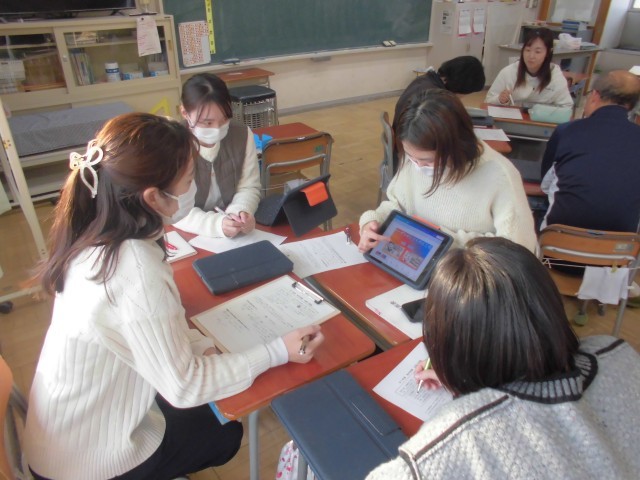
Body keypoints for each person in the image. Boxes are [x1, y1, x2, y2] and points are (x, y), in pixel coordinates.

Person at [23, 113, 324, 480]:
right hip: (90, 461)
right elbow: (185, 386)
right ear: (153, 197)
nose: (193, 188)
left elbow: (146, 330)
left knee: (210, 400)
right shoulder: (134, 270)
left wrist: (199, 345)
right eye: (189, 179)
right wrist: (278, 351)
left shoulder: (98, 229)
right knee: (224, 432)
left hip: (64, 434)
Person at [367, 237, 640, 479]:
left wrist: (463, 379)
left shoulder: (437, 458)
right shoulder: (616, 351)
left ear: (442, 342)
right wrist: (465, 375)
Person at [358, 89, 537, 253]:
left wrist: (443, 242)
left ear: (457, 146)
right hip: (419, 258)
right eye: (411, 157)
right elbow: (397, 205)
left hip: (470, 271)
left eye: (428, 161)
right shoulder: (415, 157)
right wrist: (373, 221)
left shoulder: (500, 175)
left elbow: (517, 248)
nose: (417, 166)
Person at [540, 70, 640, 232]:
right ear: (632, 105)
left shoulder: (566, 131)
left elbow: (545, 184)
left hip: (558, 239)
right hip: (620, 245)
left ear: (594, 95)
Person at [175, 73, 261, 238]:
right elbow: (174, 208)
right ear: (185, 113)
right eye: (207, 122)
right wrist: (216, 225)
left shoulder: (241, 135)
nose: (217, 128)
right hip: (186, 234)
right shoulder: (171, 144)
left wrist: (240, 212)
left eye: (224, 120)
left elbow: (248, 186)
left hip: (232, 234)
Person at [391, 55, 485, 171]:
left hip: (408, 149)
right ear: (462, 86)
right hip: (410, 156)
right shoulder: (434, 96)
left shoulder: (425, 79)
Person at [485, 28, 573, 107]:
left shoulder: (555, 77)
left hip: (543, 119)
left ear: (548, 53)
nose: (531, 56)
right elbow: (488, 101)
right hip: (512, 118)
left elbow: (566, 107)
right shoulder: (509, 72)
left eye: (537, 52)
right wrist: (500, 100)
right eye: (527, 50)